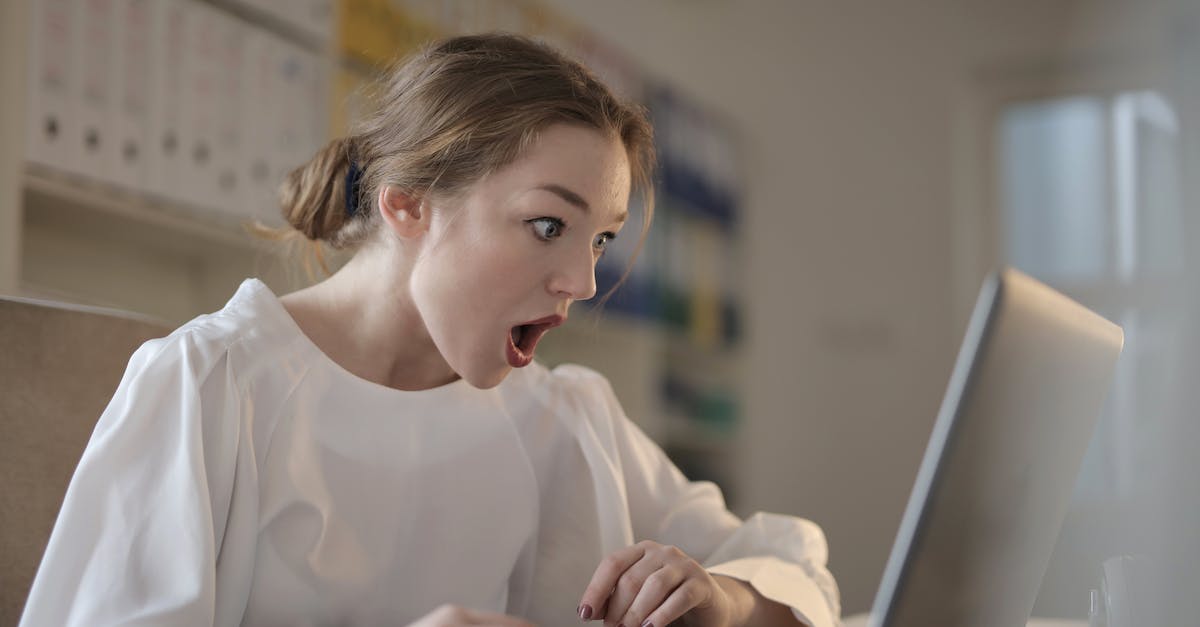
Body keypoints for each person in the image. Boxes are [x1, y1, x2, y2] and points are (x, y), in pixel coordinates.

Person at [20, 34, 840, 627]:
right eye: (549, 226)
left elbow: (793, 562)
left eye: (601, 240)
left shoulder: (567, 417)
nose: (583, 282)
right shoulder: (208, 386)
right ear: (408, 202)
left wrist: (724, 599)